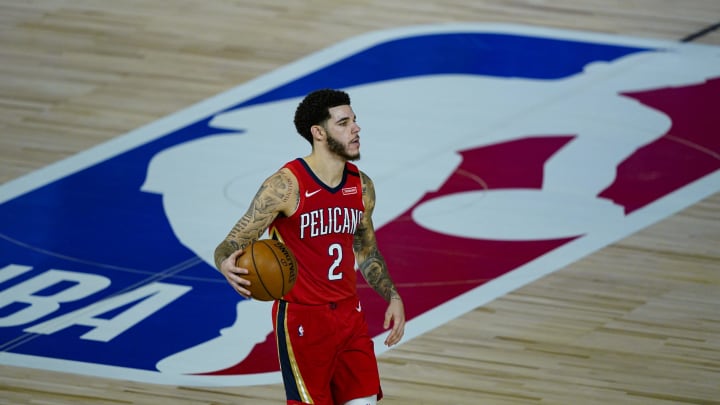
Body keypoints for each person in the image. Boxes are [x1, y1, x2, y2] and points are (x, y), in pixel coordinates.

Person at [214, 88, 406, 405]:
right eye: (343, 123)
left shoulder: (362, 186)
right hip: (303, 322)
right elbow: (234, 240)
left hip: (350, 316)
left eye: (354, 121)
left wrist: (392, 295)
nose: (356, 128)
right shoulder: (286, 185)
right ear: (318, 133)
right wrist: (224, 261)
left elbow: (367, 250)